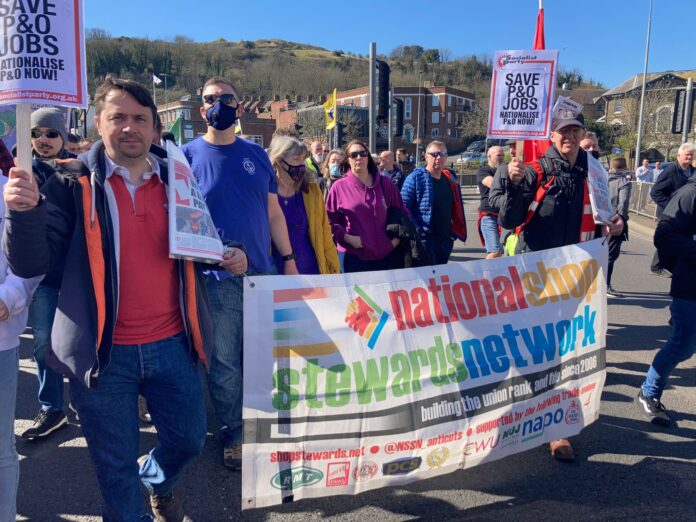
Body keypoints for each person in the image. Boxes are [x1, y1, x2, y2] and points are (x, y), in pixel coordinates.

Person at [3, 76, 247, 520]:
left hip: (175, 346)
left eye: (140, 119)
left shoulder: (177, 179)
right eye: (118, 117)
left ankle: (156, 479)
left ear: (155, 128)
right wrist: (23, 216)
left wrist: (230, 252)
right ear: (99, 124)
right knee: (115, 471)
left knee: (189, 440)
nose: (130, 127)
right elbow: (31, 261)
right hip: (102, 356)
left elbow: (201, 236)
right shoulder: (68, 183)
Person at [489, 111, 624, 461]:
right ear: (552, 135)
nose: (569, 136)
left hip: (579, 280)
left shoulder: (593, 171)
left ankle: (557, 428)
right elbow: (509, 219)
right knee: (536, 353)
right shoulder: (534, 170)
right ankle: (522, 410)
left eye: (575, 130)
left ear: (582, 134)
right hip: (538, 281)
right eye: (563, 131)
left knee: (569, 354)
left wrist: (615, 223)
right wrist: (515, 184)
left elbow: (604, 216)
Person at [181, 76, 297, 470]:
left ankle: (263, 420)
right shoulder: (185, 157)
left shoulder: (256, 154)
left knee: (265, 354)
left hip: (262, 273)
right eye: (211, 99)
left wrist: (289, 258)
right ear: (202, 110)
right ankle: (233, 429)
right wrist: (216, 256)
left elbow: (273, 212)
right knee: (225, 358)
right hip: (216, 279)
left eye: (226, 98)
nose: (219, 105)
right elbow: (182, 223)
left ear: (239, 105)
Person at [22, 107, 77, 441]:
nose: (43, 140)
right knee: (42, 343)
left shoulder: (80, 169)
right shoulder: (20, 172)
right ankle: (53, 407)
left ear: (63, 136)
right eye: (36, 133)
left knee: (88, 343)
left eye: (51, 133)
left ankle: (94, 403)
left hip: (79, 274)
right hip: (42, 277)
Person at [636, 173, 696, 426]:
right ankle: (649, 392)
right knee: (683, 345)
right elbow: (663, 235)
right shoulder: (690, 193)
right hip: (691, 288)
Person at [0, 175, 42, 522]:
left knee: (0, 451)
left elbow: (29, 262)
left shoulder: (14, 189)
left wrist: (7, 299)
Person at [326, 139, 407, 273]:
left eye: (363, 153)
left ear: (368, 157)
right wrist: (346, 237)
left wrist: (394, 242)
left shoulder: (384, 183)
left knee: (382, 294)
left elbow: (402, 214)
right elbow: (329, 222)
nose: (359, 157)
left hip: (384, 255)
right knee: (355, 295)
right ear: (348, 160)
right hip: (352, 256)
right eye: (354, 155)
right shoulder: (338, 187)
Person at [267, 136, 340, 275]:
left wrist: (334, 269)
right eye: (296, 159)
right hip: (275, 275)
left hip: (311, 271)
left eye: (302, 159)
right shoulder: (264, 194)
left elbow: (324, 233)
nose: (301, 165)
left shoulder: (311, 192)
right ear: (278, 161)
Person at [401, 141, 467, 265]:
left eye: (442, 154)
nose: (439, 157)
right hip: (426, 240)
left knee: (440, 281)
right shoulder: (415, 177)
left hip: (446, 239)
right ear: (426, 157)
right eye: (435, 154)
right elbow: (403, 206)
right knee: (428, 280)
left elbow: (456, 207)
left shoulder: (449, 178)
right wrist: (419, 230)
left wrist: (452, 234)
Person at [649, 143, 695, 275]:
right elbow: (655, 192)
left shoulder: (691, 171)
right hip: (669, 213)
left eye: (691, 155)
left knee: (680, 237)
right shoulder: (671, 171)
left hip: (684, 213)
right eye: (687, 155)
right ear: (679, 156)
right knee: (666, 237)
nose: (689, 157)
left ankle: (672, 264)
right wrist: (670, 205)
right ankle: (657, 266)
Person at [606, 157, 632, 298]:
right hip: (614, 222)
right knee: (610, 255)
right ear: (625, 167)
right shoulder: (624, 182)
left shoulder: (600, 179)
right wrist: (622, 218)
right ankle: (606, 285)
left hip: (598, 221)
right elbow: (623, 203)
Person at [477, 146, 505, 259]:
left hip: (504, 216)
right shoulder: (483, 171)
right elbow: (493, 184)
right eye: (498, 155)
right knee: (495, 251)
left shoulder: (505, 170)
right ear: (489, 157)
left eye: (503, 155)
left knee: (504, 252)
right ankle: (484, 274)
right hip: (489, 216)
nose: (502, 158)